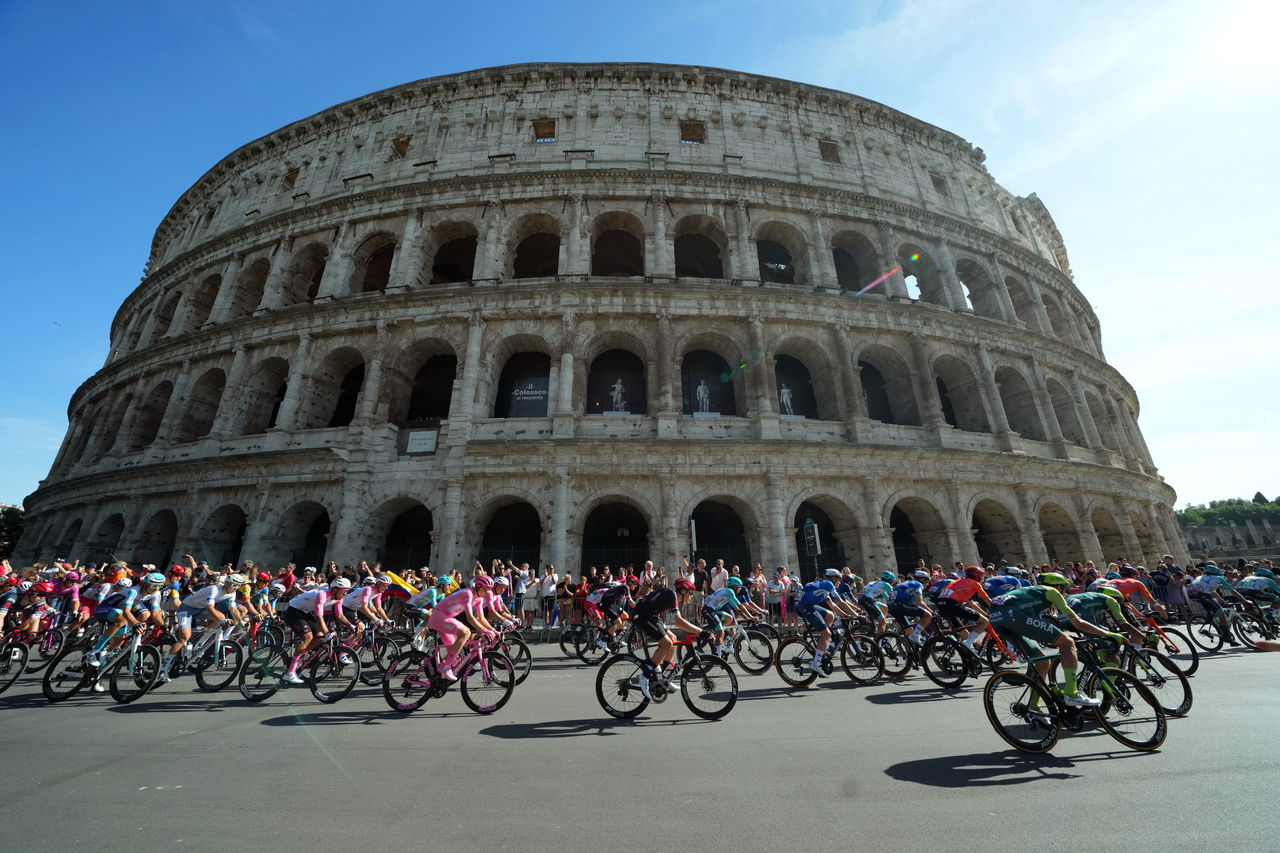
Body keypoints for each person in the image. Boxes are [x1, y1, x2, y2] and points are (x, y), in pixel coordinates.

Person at [986, 572, 1126, 708]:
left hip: (996, 617)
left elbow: (1040, 628)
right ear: (1058, 587)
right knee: (1068, 644)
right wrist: (1108, 634)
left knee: (1042, 661)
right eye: (1065, 590)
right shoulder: (1052, 592)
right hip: (1013, 615)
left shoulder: (1031, 595)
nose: (1065, 594)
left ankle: (1034, 706)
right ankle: (1072, 693)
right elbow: (1078, 623)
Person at [161, 573, 245, 683]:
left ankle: (200, 644)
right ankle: (164, 669)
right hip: (187, 608)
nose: (236, 588)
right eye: (234, 585)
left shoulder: (231, 593)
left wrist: (241, 622)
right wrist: (222, 621)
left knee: (221, 617)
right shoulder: (214, 589)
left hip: (200, 609)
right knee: (184, 638)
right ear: (227, 584)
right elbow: (210, 608)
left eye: (238, 586)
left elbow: (233, 609)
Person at [630, 577, 706, 699]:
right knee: (666, 643)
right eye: (690, 593)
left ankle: (663, 678)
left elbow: (678, 621)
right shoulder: (672, 595)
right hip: (641, 614)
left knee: (673, 638)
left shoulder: (672, 596)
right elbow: (679, 622)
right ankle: (644, 676)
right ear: (683, 591)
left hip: (650, 615)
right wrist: (701, 632)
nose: (691, 596)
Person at [428, 574, 499, 681]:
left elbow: (481, 619)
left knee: (453, 651)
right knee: (465, 632)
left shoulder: (479, 599)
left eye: (488, 590)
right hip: (438, 616)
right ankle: (445, 666)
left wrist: (493, 630)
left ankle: (434, 679)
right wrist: (484, 631)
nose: (486, 593)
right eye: (485, 589)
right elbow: (470, 617)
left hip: (445, 618)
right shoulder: (468, 594)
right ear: (478, 586)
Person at [794, 573, 862, 677]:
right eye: (839, 580)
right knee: (826, 633)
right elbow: (841, 602)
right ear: (834, 579)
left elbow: (833, 605)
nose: (840, 583)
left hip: (808, 604)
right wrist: (856, 615)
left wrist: (846, 615)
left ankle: (822, 641)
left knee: (830, 616)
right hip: (803, 606)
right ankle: (816, 664)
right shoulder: (829, 584)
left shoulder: (825, 587)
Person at [280, 579, 343, 684]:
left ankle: (299, 656)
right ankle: (289, 673)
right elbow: (319, 616)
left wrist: (351, 626)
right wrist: (328, 632)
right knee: (308, 637)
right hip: (294, 610)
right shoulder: (322, 594)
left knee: (320, 637)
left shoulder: (338, 598)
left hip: (305, 612)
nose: (345, 594)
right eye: (344, 591)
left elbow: (340, 615)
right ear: (335, 590)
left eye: (346, 591)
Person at [936, 566, 992, 649]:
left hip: (941, 604)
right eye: (982, 577)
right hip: (951, 604)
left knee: (965, 635)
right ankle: (968, 643)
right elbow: (988, 601)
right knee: (984, 621)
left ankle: (967, 656)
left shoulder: (959, 582)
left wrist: (985, 614)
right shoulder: (975, 583)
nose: (983, 580)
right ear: (977, 577)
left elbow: (972, 604)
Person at [888, 570, 933, 645]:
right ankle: (915, 635)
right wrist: (931, 612)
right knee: (928, 615)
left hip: (891, 605)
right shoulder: (918, 584)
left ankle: (909, 653)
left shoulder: (907, 583)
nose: (928, 584)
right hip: (900, 604)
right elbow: (919, 601)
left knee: (909, 631)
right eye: (927, 581)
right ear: (922, 579)